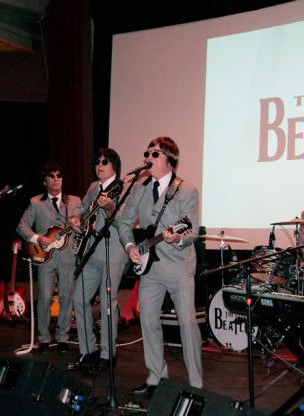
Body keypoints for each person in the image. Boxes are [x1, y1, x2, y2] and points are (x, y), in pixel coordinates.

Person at [117, 136, 203, 397]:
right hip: (149, 268)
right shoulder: (139, 188)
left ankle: (196, 384)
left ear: (169, 159)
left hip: (178, 267)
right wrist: (131, 248)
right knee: (149, 320)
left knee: (187, 323)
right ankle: (156, 376)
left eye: (154, 154)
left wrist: (176, 236)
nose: (148, 158)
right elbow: (123, 223)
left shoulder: (186, 190)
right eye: (147, 153)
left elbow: (192, 230)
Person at [66, 148, 128, 372]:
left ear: (114, 166)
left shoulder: (124, 188)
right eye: (97, 162)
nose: (99, 165)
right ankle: (87, 350)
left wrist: (110, 206)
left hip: (113, 252)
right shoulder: (93, 187)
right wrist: (75, 217)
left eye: (104, 161)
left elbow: (126, 221)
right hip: (90, 250)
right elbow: (83, 208)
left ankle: (107, 355)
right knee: (79, 298)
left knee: (106, 305)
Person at [16, 163, 81, 353]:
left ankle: (62, 338)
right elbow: (21, 226)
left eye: (59, 175)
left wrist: (79, 226)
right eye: (51, 176)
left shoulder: (75, 201)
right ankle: (43, 338)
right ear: (45, 181)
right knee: (44, 297)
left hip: (68, 256)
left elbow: (83, 221)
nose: (56, 179)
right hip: (44, 256)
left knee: (66, 297)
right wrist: (38, 238)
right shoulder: (36, 203)